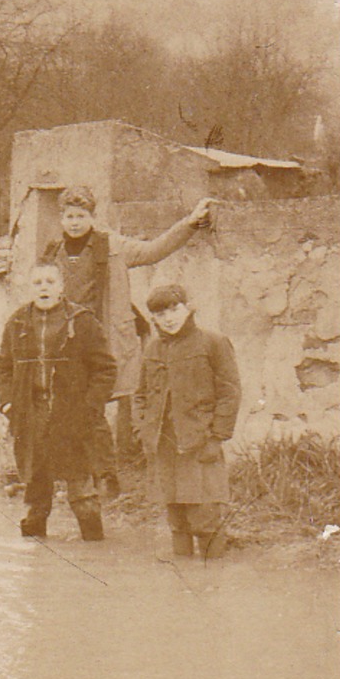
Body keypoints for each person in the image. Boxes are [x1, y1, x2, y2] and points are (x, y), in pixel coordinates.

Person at [42, 186, 216, 496]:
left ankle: (134, 478)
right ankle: (86, 479)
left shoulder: (113, 248)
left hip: (106, 344)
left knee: (121, 407)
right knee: (73, 411)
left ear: (92, 218)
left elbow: (154, 250)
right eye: (69, 216)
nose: (75, 222)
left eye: (81, 216)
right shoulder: (52, 253)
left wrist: (190, 223)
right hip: (68, 347)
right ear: (61, 219)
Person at [0, 257, 117, 541]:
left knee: (82, 491)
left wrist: (90, 406)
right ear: (29, 288)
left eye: (50, 282)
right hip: (31, 413)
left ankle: (94, 551)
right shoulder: (17, 323)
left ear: (61, 286)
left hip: (73, 414)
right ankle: (37, 568)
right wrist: (8, 403)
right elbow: (3, 367)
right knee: (36, 491)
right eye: (37, 282)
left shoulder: (82, 322)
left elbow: (106, 370)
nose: (44, 288)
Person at [134, 283, 242, 559]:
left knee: (205, 518)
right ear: (154, 318)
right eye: (161, 313)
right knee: (177, 520)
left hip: (199, 445)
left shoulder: (213, 342)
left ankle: (212, 584)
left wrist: (216, 437)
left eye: (174, 309)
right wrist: (144, 430)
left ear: (187, 308)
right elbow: (141, 394)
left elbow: (230, 393)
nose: (169, 318)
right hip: (165, 446)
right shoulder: (152, 348)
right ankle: (185, 586)